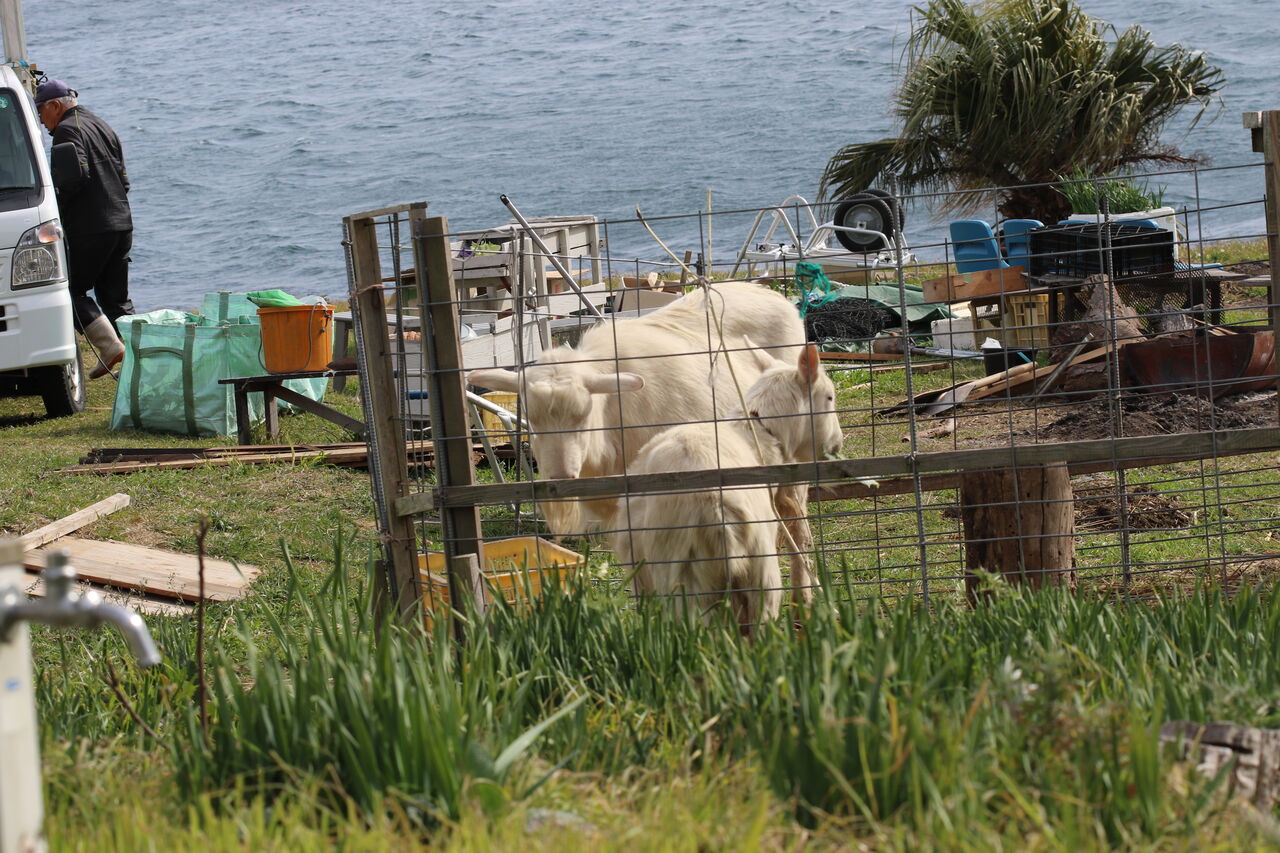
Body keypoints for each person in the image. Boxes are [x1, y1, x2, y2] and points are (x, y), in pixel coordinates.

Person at [35, 78, 133, 379]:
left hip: (92, 226)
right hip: (121, 221)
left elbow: (71, 177)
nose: (40, 120)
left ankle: (109, 347)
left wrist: (57, 205)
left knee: (69, 291)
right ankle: (140, 357)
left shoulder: (66, 129)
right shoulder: (100, 124)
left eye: (41, 111)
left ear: (55, 105)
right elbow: (123, 179)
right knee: (115, 298)